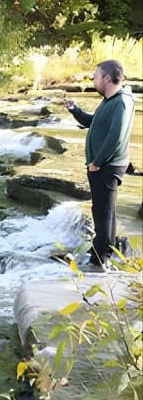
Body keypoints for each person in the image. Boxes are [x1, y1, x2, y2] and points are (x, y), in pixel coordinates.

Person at [65, 59, 135, 272]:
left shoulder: (121, 102)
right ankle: (106, 255)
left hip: (107, 165)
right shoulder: (110, 101)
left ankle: (99, 261)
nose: (93, 81)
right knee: (106, 211)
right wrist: (75, 110)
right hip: (105, 165)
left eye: (95, 77)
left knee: (102, 213)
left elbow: (116, 137)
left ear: (107, 78)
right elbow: (92, 122)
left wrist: (97, 162)